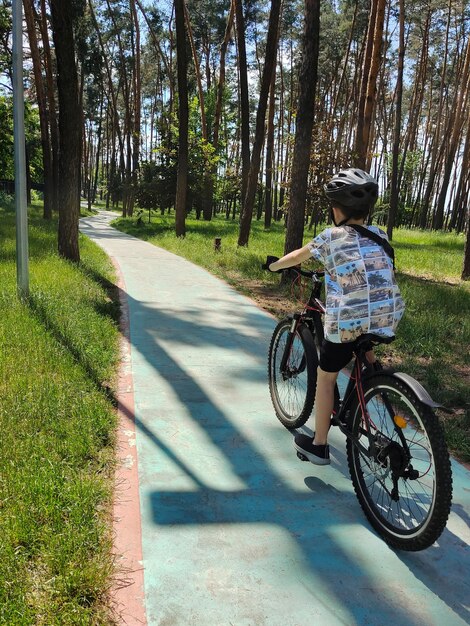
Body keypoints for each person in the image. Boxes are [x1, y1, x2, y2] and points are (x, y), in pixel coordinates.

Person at [267, 168, 405, 465]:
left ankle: (318, 446)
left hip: (348, 321)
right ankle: (375, 379)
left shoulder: (330, 237)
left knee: (327, 377)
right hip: (388, 315)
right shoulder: (380, 235)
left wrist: (275, 266)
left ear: (335, 209)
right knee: (364, 340)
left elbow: (297, 257)